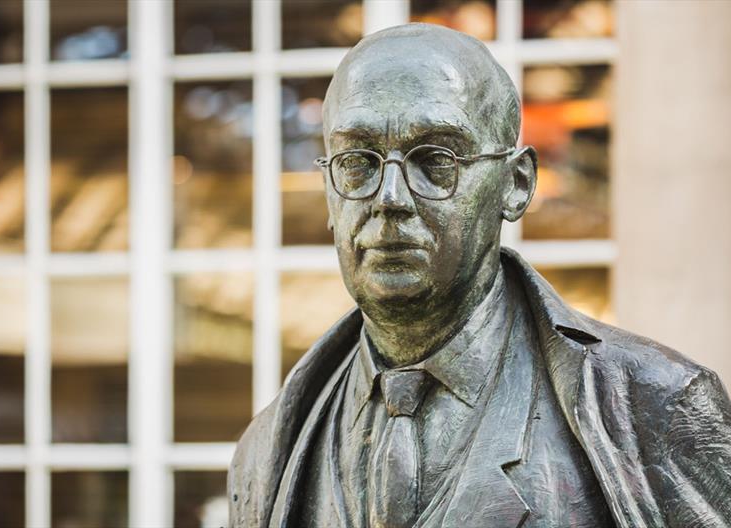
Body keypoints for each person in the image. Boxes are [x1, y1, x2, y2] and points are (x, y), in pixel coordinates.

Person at [229, 23, 731, 528]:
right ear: (329, 192)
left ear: (515, 185)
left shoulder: (656, 409)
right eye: (359, 162)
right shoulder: (269, 449)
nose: (389, 199)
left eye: (436, 160)